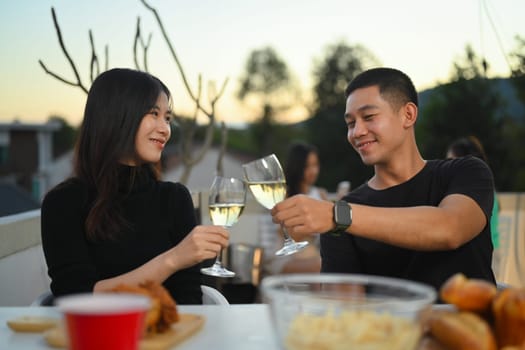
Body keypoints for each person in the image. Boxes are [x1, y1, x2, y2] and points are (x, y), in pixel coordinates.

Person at [271, 67, 496, 292]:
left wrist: (336, 214)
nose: (357, 132)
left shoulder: (466, 171)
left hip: (474, 326)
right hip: (393, 328)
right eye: (350, 123)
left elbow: (451, 229)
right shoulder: (339, 220)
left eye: (369, 117)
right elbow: (343, 310)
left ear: (408, 115)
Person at [41, 68, 229, 304]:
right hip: (94, 338)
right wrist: (173, 259)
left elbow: (189, 302)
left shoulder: (174, 199)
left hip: (168, 337)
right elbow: (77, 298)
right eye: (154, 113)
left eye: (168, 118)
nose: (165, 129)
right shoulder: (63, 202)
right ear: (117, 116)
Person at [259, 142, 326, 275]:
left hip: (309, 253)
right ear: (297, 167)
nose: (313, 171)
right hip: (280, 256)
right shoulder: (282, 195)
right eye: (307, 166)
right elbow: (284, 233)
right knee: (322, 266)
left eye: (315, 165)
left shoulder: (320, 194)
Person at [447, 136, 501, 273]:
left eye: (451, 161)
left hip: (486, 256)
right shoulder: (486, 188)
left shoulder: (477, 192)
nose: (447, 167)